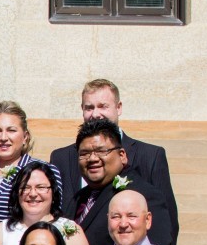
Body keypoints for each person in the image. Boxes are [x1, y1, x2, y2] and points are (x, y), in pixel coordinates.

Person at [50, 78, 178, 222]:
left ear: (119, 108)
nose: (95, 114)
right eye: (89, 108)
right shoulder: (61, 158)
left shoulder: (150, 156)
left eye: (103, 106)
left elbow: (167, 220)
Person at [67, 118, 176, 245]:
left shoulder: (142, 194)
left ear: (122, 155)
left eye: (101, 151)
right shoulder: (78, 198)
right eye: (84, 153)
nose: (92, 158)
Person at [0, 160, 92, 245]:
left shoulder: (70, 230)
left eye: (41, 187)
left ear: (53, 192)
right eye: (25, 187)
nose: (32, 194)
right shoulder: (1, 230)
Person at [0, 101, 61, 232]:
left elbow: (54, 220)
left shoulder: (43, 171)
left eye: (11, 130)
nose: (3, 137)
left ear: (25, 137)